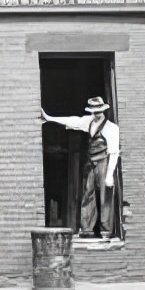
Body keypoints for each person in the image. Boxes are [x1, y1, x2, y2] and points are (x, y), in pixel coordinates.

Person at [41, 96, 120, 239]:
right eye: (94, 112)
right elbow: (72, 121)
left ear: (103, 111)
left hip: (104, 163)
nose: (96, 115)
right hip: (91, 163)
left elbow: (114, 153)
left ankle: (106, 230)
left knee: (105, 197)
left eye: (98, 112)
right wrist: (49, 118)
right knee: (87, 195)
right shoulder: (88, 122)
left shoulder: (111, 128)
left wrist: (109, 175)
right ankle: (87, 229)